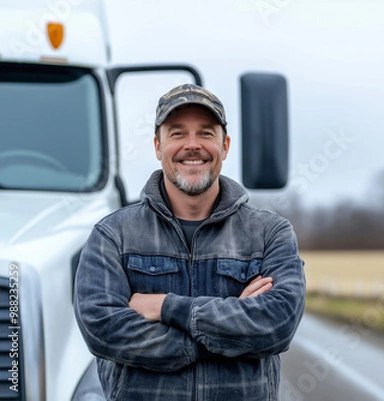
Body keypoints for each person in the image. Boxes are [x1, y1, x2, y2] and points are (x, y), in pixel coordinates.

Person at [74, 83, 306, 401]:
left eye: (206, 133)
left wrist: (167, 307)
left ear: (225, 146)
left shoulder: (269, 234)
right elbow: (102, 330)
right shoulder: (113, 235)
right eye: (178, 133)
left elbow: (278, 323)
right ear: (158, 146)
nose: (192, 145)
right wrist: (227, 331)